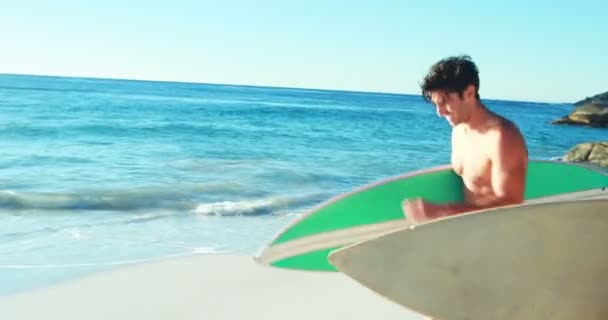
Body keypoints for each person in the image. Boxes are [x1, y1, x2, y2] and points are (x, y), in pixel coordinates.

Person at [402, 55, 529, 226]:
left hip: (498, 236)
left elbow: (511, 204)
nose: (439, 112)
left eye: (445, 102)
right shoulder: (458, 132)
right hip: (468, 234)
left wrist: (441, 211)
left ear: (469, 92)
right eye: (435, 104)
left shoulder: (502, 137)